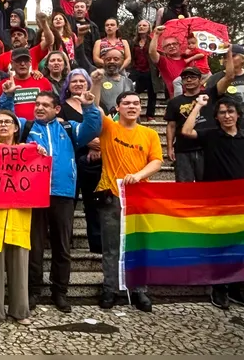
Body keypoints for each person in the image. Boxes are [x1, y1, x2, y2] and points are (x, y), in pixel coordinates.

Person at [0, 89, 101, 313]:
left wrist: (89, 108)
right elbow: (4, 118)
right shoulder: (26, 127)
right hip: (33, 194)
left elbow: (92, 128)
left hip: (63, 193)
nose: (39, 108)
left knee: (62, 247)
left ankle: (60, 292)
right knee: (34, 246)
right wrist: (7, 96)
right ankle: (33, 290)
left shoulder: (69, 127)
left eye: (45, 105)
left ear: (56, 109)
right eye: (37, 104)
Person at [181, 94, 244, 312]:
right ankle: (219, 288)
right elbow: (186, 131)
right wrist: (198, 106)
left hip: (243, 202)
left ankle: (239, 289)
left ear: (239, 114)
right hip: (216, 201)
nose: (227, 116)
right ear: (217, 117)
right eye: (222, 112)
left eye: (231, 111)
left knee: (242, 246)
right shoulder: (211, 136)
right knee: (219, 244)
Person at [90, 75, 163, 312]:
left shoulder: (149, 134)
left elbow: (157, 162)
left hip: (139, 197)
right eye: (127, 103)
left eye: (136, 103)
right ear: (118, 108)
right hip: (111, 195)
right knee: (111, 246)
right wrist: (97, 84)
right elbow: (95, 107)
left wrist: (140, 175)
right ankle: (109, 288)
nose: (132, 107)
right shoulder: (109, 128)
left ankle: (139, 290)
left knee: (137, 245)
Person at [0, 110, 46, 325]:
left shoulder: (28, 151)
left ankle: (20, 310)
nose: (3, 125)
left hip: (19, 217)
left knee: (20, 265)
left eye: (8, 122)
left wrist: (39, 154)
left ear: (16, 128)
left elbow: (40, 176)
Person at [165, 53, 236, 182]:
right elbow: (171, 126)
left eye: (192, 77)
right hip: (183, 149)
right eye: (185, 78)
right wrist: (170, 148)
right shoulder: (174, 102)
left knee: (209, 186)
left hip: (208, 147)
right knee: (184, 188)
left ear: (200, 79)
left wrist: (229, 54)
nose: (189, 80)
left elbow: (229, 77)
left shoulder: (211, 94)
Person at [60, 69, 103, 255]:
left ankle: (97, 245)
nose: (78, 84)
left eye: (82, 81)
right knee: (68, 204)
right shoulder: (60, 107)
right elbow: (64, 132)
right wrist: (88, 141)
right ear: (68, 86)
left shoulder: (94, 105)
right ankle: (65, 244)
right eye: (74, 81)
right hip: (70, 159)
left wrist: (97, 147)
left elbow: (103, 127)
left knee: (93, 204)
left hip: (93, 160)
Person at [206, 44, 244, 134]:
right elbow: (209, 102)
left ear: (243, 58)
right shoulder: (215, 78)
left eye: (233, 55)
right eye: (225, 56)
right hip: (223, 131)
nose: (227, 59)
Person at [0, 48, 53, 122]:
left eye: (25, 60)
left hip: (39, 129)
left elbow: (51, 108)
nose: (22, 64)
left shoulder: (43, 82)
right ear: (11, 63)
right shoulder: (4, 85)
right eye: (18, 61)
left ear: (30, 62)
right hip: (14, 130)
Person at [128, 20, 157, 121]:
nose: (141, 27)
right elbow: (130, 56)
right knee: (132, 90)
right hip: (136, 70)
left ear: (149, 28)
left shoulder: (153, 40)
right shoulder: (133, 42)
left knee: (152, 93)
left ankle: (150, 115)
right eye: (139, 25)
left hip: (150, 70)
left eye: (144, 25)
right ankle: (135, 112)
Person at [96, 50, 136, 114]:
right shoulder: (97, 80)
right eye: (108, 59)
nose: (112, 61)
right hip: (102, 119)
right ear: (104, 61)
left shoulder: (128, 82)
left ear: (122, 61)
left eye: (116, 59)